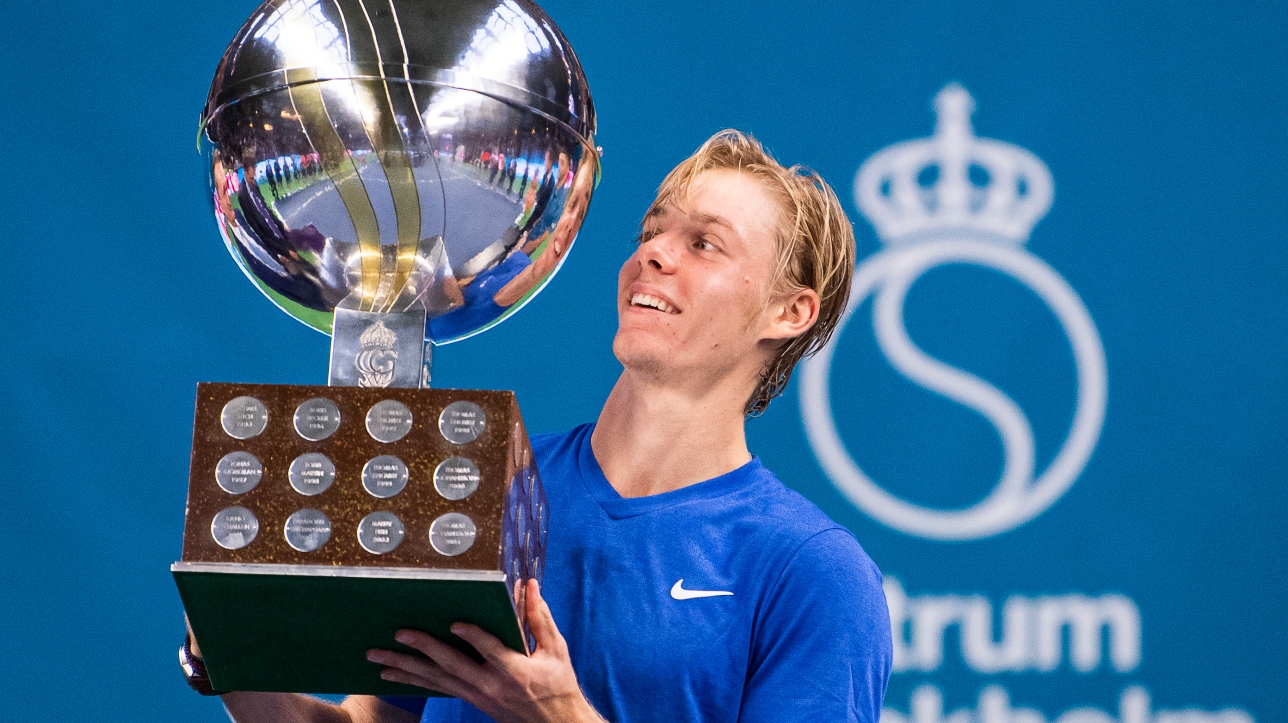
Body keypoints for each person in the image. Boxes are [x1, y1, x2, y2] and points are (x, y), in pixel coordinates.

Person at [183, 129, 892, 722]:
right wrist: (232, 652)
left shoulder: (812, 572)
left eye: (705, 243)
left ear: (790, 312)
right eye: (654, 230)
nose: (653, 252)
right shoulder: (482, 489)